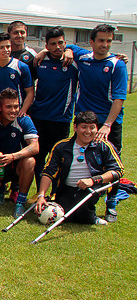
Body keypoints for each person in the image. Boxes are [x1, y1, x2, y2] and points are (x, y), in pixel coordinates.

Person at [65, 24, 127, 222]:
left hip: (109, 122)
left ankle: (111, 203)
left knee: (112, 163)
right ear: (92, 42)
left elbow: (119, 99)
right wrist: (67, 50)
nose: (105, 44)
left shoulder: (118, 65)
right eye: (101, 40)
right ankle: (74, 195)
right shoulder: (83, 58)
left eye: (109, 41)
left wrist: (107, 125)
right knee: (79, 158)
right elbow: (71, 48)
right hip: (84, 120)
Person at [35, 111, 123, 225]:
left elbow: (118, 170)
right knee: (67, 216)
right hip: (67, 188)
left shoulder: (104, 146)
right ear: (75, 127)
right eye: (84, 127)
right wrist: (41, 195)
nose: (88, 131)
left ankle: (91, 217)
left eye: (92, 127)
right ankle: (85, 215)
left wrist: (92, 180)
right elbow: (48, 172)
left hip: (92, 187)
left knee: (83, 210)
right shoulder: (61, 146)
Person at [29, 26, 78, 187]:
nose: (57, 47)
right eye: (53, 44)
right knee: (39, 156)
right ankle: (39, 190)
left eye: (61, 43)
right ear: (46, 45)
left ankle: (56, 192)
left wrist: (70, 50)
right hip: (38, 117)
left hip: (60, 119)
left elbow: (96, 56)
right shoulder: (39, 61)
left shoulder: (74, 63)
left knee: (59, 157)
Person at [0, 88, 38, 217]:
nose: (13, 111)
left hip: (17, 165)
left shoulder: (23, 120)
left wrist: (13, 156)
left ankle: (20, 201)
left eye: (16, 106)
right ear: (0, 108)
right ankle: (0, 188)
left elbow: (35, 147)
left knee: (30, 161)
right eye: (8, 107)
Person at [0, 33, 34, 117]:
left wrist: (23, 110)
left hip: (14, 114)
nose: (6, 50)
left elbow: (30, 92)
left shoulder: (21, 67)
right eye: (1, 47)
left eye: (8, 47)